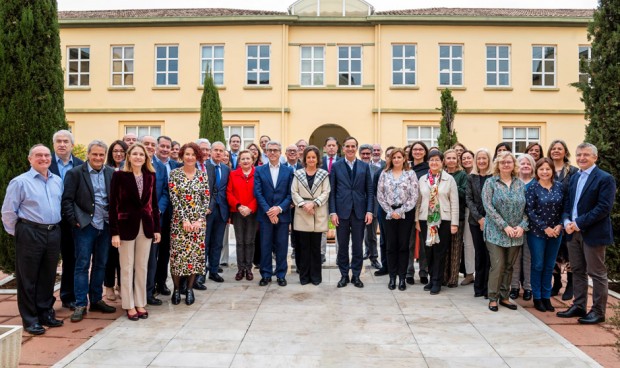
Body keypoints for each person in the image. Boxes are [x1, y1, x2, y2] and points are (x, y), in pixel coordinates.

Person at [2, 144, 64, 335]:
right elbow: (7, 212)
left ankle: (45, 313)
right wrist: (20, 233)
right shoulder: (20, 182)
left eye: (47, 155)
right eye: (39, 155)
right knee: (28, 278)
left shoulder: (57, 181)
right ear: (30, 159)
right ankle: (30, 320)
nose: (44, 158)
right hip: (30, 232)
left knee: (48, 276)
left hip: (53, 232)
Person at [557, 143, 615, 325]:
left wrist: (578, 223)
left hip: (593, 233)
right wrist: (566, 222)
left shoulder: (605, 178)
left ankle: (598, 311)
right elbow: (568, 203)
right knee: (578, 271)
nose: (582, 158)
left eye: (586, 155)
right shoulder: (574, 177)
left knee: (597, 273)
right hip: (572, 233)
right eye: (579, 154)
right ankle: (579, 305)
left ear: (595, 157)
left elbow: (603, 208)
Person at [62, 140, 117, 322]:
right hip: (85, 226)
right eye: (95, 154)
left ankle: (95, 300)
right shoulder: (75, 173)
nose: (98, 158)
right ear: (88, 154)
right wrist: (74, 221)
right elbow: (67, 200)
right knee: (82, 264)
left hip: (106, 225)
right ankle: (80, 304)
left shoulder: (111, 173)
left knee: (101, 264)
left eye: (101, 154)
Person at [109, 143, 161, 320]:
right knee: (126, 267)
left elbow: (153, 205)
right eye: (135, 154)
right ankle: (129, 305)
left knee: (141, 267)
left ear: (146, 158)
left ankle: (140, 302)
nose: (138, 157)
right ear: (128, 157)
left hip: (146, 227)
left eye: (142, 154)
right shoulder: (119, 176)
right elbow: (113, 206)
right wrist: (114, 232)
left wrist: (157, 228)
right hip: (125, 228)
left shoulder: (150, 176)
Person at [482, 151, 527, 312]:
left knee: (509, 266)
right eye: (502, 162)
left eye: (509, 162)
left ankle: (505, 297)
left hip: (516, 233)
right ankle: (493, 298)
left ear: (513, 164)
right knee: (498, 265)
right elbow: (488, 207)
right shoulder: (490, 183)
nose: (506, 164)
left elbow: (528, 209)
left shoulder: (520, 184)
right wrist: (504, 226)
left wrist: (522, 226)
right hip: (496, 232)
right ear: (498, 165)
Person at [168, 143, 210, 305]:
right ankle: (177, 289)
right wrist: (184, 219)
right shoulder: (174, 174)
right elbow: (174, 198)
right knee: (178, 257)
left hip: (198, 223)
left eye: (193, 154)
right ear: (182, 156)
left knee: (194, 257)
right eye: (187, 154)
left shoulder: (202, 176)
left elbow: (205, 199)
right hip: (179, 222)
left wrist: (199, 220)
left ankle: (190, 289)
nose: (190, 157)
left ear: (197, 156)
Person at [329, 137, 374, 289]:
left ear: (356, 148)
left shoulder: (364, 166)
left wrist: (369, 210)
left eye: (352, 146)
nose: (350, 148)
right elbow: (332, 191)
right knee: (342, 246)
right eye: (347, 146)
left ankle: (356, 275)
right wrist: (333, 212)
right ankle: (343, 275)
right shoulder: (336, 166)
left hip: (359, 212)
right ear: (343, 148)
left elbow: (369, 190)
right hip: (341, 212)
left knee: (357, 246)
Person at [49, 130, 84, 311]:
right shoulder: (45, 163)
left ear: (72, 145)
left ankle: (68, 296)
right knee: (49, 261)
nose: (62, 144)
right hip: (51, 220)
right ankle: (46, 301)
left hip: (72, 221)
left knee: (71, 259)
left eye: (66, 141)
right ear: (54, 144)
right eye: (59, 141)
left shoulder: (80, 165)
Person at [416, 150, 459, 295]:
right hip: (425, 219)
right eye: (431, 160)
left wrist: (454, 223)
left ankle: (437, 281)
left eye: (437, 160)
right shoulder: (422, 179)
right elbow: (418, 201)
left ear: (442, 162)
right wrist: (417, 220)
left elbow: (454, 202)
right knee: (428, 251)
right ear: (428, 162)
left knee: (440, 252)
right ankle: (431, 278)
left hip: (444, 220)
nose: (434, 163)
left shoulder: (449, 179)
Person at [526, 158, 564, 312]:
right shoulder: (532, 187)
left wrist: (560, 224)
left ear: (552, 171)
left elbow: (565, 207)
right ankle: (537, 297)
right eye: (541, 169)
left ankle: (547, 297)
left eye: (548, 169)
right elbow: (530, 210)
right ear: (537, 171)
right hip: (537, 233)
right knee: (538, 265)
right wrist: (545, 227)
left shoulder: (560, 187)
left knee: (549, 266)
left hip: (556, 233)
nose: (544, 172)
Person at [377, 148, 419, 291]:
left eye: (399, 157)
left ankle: (402, 278)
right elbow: (380, 195)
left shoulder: (410, 174)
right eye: (394, 157)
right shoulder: (384, 174)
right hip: (388, 214)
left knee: (403, 246)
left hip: (405, 214)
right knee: (390, 246)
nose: (396, 160)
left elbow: (414, 196)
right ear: (390, 159)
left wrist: (400, 211)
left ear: (404, 159)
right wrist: (390, 211)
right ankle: (392, 277)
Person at [254, 141, 294, 286]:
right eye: (269, 150)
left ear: (280, 152)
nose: (272, 153)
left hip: (282, 215)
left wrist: (279, 209)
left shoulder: (288, 171)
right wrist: (270, 211)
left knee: (282, 246)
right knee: (265, 246)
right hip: (265, 216)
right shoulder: (259, 170)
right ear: (265, 152)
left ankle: (281, 274)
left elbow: (290, 193)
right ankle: (265, 274)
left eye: (275, 150)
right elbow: (257, 193)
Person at [291, 146, 331, 285]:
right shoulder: (298, 174)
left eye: (314, 157)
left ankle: (315, 277)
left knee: (316, 248)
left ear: (318, 159)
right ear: (305, 159)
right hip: (302, 213)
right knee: (303, 248)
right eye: (308, 157)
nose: (311, 159)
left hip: (317, 212)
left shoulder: (324, 174)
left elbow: (326, 192)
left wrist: (313, 204)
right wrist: (304, 204)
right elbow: (294, 192)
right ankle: (304, 277)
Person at [140, 135, 169, 306]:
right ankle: (135, 294)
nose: (149, 147)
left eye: (152, 144)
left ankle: (149, 292)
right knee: (136, 260)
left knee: (152, 257)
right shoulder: (130, 166)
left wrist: (159, 209)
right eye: (146, 144)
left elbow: (165, 191)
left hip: (155, 218)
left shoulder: (159, 167)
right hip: (134, 220)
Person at [548, 139, 578, 300]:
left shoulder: (573, 171)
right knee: (554, 253)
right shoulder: (547, 169)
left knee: (569, 252)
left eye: (559, 148)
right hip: (550, 216)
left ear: (565, 152)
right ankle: (557, 282)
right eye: (553, 148)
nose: (556, 151)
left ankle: (570, 285)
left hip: (567, 216)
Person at [153, 136, 181, 297]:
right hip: (157, 214)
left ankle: (161, 282)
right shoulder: (151, 164)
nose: (165, 149)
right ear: (157, 147)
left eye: (168, 147)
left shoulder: (175, 165)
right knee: (152, 252)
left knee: (165, 251)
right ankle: (150, 283)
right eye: (162, 146)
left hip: (173, 215)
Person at [466, 148, 493, 297]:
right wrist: (479, 219)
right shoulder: (471, 177)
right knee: (479, 254)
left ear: (489, 160)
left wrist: (487, 219)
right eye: (479, 159)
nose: (482, 161)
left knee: (490, 255)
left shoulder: (494, 177)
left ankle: (488, 287)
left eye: (484, 158)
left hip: (492, 221)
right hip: (475, 222)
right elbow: (469, 200)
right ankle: (478, 288)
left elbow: (494, 200)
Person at [227, 150, 258, 281]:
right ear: (239, 161)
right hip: (237, 212)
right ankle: (240, 269)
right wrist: (239, 206)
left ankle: (249, 269)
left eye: (248, 158)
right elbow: (229, 192)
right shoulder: (233, 174)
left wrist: (250, 208)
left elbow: (260, 192)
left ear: (253, 160)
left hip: (252, 212)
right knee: (240, 242)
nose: (245, 161)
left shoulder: (258, 174)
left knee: (250, 241)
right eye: (243, 159)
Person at [510, 154, 536, 301]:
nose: (525, 166)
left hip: (532, 227)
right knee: (515, 258)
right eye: (522, 163)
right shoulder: (513, 183)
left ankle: (528, 287)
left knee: (528, 258)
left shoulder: (536, 183)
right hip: (514, 226)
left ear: (532, 166)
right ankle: (514, 286)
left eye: (528, 163)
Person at [104, 140, 127, 301]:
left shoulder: (129, 171)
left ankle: (121, 285)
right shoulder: (106, 170)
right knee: (110, 255)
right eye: (115, 151)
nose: (118, 154)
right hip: (109, 218)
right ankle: (109, 286)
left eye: (121, 151)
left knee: (123, 256)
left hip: (126, 219)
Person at [443, 149, 467, 288]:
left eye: (453, 158)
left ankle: (453, 278)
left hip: (459, 216)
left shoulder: (462, 175)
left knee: (456, 247)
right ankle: (443, 276)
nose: (451, 160)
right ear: (444, 160)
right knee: (444, 247)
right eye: (448, 158)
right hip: (444, 216)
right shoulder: (441, 174)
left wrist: (452, 187)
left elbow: (464, 193)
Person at [407, 141, 430, 285]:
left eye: (421, 149)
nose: (417, 151)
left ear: (425, 152)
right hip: (408, 210)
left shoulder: (429, 169)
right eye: (415, 149)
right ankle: (409, 272)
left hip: (423, 210)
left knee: (424, 242)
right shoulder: (406, 168)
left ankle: (423, 272)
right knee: (408, 242)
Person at [359, 144, 382, 270]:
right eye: (364, 154)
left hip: (373, 205)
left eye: (368, 153)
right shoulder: (356, 167)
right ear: (360, 154)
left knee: (372, 235)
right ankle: (358, 258)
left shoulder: (376, 169)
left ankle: (374, 258)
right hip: (357, 205)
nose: (366, 156)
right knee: (358, 235)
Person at [373, 146, 394, 278]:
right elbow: (376, 192)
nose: (391, 158)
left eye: (394, 155)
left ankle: (396, 266)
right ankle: (385, 266)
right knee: (384, 239)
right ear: (385, 158)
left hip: (402, 211)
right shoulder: (380, 172)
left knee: (397, 240)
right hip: (383, 210)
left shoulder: (405, 172)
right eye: (388, 156)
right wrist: (387, 206)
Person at [284, 144, 303, 261]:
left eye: (294, 151)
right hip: (284, 205)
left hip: (299, 206)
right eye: (289, 151)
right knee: (282, 232)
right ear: (285, 154)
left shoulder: (303, 168)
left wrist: (296, 201)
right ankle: (279, 253)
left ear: (298, 153)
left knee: (298, 231)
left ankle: (297, 253)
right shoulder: (280, 167)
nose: (292, 153)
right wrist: (288, 201)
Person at [460, 149, 475, 285]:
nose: (466, 160)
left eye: (468, 158)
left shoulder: (482, 173)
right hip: (466, 211)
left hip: (482, 213)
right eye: (463, 158)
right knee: (468, 244)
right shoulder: (462, 175)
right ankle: (470, 273)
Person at [219, 150, 232, 268]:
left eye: (227, 156)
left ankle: (223, 259)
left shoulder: (229, 171)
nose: (225, 157)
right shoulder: (214, 168)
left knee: (224, 236)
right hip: (215, 207)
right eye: (224, 155)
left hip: (225, 207)